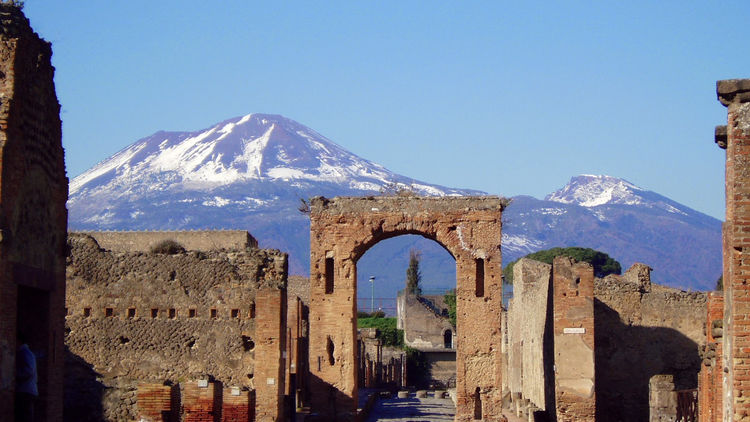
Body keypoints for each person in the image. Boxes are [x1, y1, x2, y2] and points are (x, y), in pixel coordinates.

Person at [15, 330, 37, 422]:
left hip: (25, 391)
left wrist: (15, 375)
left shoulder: (24, 353)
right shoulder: (26, 352)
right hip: (27, 391)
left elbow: (29, 371)